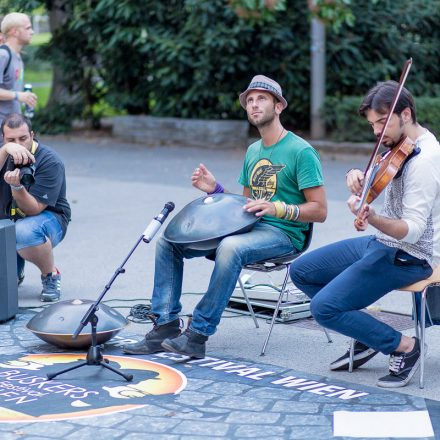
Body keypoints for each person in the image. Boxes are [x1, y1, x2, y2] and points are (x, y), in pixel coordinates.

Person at [124, 75, 327, 358]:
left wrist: (278, 208)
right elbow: (244, 205)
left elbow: (320, 210)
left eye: (262, 99)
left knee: (230, 247)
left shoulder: (301, 151)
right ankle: (165, 325)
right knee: (168, 241)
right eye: (250, 100)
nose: (254, 105)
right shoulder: (254, 150)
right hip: (251, 227)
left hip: (284, 234)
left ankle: (197, 335)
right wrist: (216, 190)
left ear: (278, 106)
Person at [290, 80, 440, 388]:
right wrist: (354, 176)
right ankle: (367, 333)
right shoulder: (400, 146)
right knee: (302, 270)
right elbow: (372, 175)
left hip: (410, 255)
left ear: (406, 114)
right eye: (373, 125)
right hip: (382, 244)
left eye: (382, 123)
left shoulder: (424, 161)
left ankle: (404, 347)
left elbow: (411, 231)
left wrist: (372, 217)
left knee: (324, 308)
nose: (377, 133)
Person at [0, 113, 71, 301]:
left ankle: (50, 275)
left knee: (23, 231)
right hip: (8, 223)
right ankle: (14, 272)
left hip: (48, 221)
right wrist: (6, 149)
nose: (18, 145)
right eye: (11, 140)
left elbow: (34, 209)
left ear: (32, 135)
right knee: (6, 281)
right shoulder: (4, 152)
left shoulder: (49, 161)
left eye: (23, 138)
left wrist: (16, 187)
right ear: (3, 139)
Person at [0, 12, 37, 139]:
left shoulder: (18, 56)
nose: (32, 32)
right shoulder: (3, 55)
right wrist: (18, 96)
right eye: (28, 28)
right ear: (15, 32)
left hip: (13, 129)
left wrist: (25, 98)